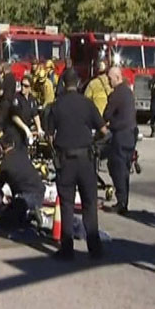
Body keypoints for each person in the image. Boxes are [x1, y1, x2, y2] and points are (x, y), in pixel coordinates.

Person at [47, 70, 109, 259]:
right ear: (79, 82)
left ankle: (67, 249)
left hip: (65, 161)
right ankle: (94, 248)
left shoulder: (56, 106)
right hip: (86, 160)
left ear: (64, 84)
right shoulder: (87, 104)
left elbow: (49, 137)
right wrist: (94, 144)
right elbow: (104, 131)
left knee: (66, 204)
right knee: (89, 203)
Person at [103, 67, 137, 214]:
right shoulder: (128, 92)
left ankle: (121, 202)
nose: (109, 82)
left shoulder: (116, 94)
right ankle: (124, 201)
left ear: (117, 77)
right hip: (131, 134)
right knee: (125, 169)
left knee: (116, 167)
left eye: (110, 79)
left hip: (121, 136)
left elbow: (106, 114)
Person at [0, 134, 45, 228]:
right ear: (13, 144)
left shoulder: (4, 165)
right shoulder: (23, 155)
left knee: (4, 220)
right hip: (40, 192)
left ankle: (30, 213)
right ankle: (30, 212)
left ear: (1, 148)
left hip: (26, 197)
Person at [9, 74, 45, 149]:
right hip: (16, 130)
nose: (23, 87)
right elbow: (14, 116)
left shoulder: (32, 99)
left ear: (30, 88)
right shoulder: (16, 98)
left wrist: (39, 128)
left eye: (26, 86)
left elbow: (35, 115)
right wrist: (26, 129)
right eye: (22, 84)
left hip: (26, 132)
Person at [0, 62, 17, 132]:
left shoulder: (6, 78)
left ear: (4, 69)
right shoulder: (13, 78)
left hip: (4, 102)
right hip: (11, 102)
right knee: (7, 123)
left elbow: (1, 92)